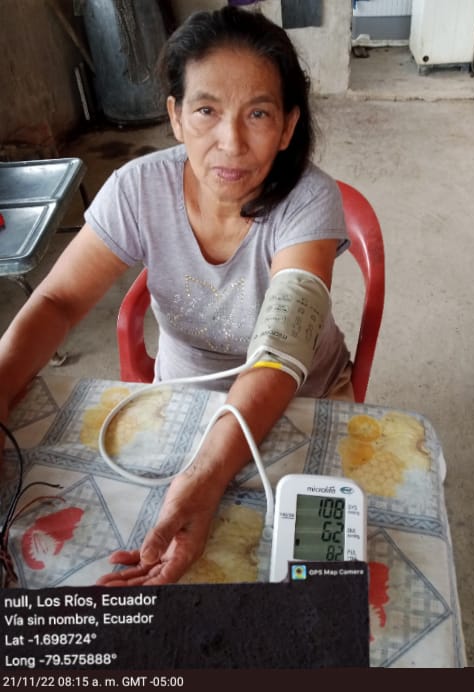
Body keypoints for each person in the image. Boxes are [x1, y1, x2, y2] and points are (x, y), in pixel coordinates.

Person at [0, 6, 352, 585]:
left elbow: (280, 353)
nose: (231, 143)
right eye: (206, 110)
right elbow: (58, 301)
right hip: (183, 399)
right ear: (176, 117)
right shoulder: (138, 188)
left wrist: (207, 474)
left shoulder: (310, 201)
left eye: (258, 113)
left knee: (309, 567)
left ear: (288, 126)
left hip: (301, 395)